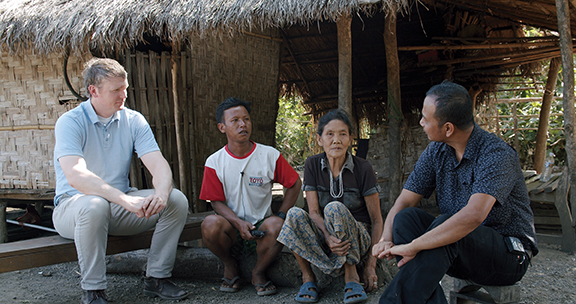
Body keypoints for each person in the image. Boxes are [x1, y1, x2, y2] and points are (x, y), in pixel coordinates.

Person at [373, 80, 538, 304]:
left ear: (448, 128)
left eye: (425, 118)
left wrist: (414, 246)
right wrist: (385, 238)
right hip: (458, 251)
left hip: (508, 256)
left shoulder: (496, 154)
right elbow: (404, 202)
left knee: (449, 225)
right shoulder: (437, 151)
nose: (420, 122)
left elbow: (472, 216)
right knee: (405, 219)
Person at [53, 58, 189, 304]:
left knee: (176, 199)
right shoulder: (70, 122)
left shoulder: (133, 120)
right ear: (94, 91)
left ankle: (156, 278)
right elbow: (76, 176)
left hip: (119, 207)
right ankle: (94, 292)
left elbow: (158, 164)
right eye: (116, 90)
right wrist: (125, 200)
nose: (124, 95)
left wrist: (160, 194)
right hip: (74, 209)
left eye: (125, 88)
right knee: (94, 205)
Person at [277, 109, 383, 304]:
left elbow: (376, 220)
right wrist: (327, 236)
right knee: (293, 214)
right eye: (330, 134)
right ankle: (308, 278)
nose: (336, 140)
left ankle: (351, 276)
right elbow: (314, 212)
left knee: (335, 208)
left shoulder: (363, 168)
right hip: (328, 235)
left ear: (350, 138)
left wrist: (371, 265)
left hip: (358, 239)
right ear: (319, 139)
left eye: (343, 134)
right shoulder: (312, 164)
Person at [199, 97, 302, 296]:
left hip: (261, 229)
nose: (242, 124)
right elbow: (216, 202)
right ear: (222, 127)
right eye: (235, 120)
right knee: (209, 224)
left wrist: (281, 214)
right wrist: (237, 222)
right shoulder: (214, 161)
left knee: (278, 225)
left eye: (246, 119)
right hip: (231, 229)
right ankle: (230, 266)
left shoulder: (269, 155)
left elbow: (295, 183)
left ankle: (258, 272)